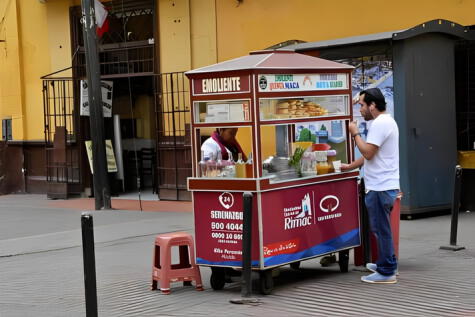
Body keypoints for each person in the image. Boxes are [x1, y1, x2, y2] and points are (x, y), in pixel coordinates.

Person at [342, 88, 400, 284]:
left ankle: (386, 272)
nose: (360, 110)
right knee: (382, 228)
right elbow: (372, 154)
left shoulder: (380, 124)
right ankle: (387, 263)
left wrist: (355, 133)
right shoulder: (385, 121)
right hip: (383, 185)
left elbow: (367, 152)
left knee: (380, 229)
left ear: (373, 106)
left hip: (380, 186)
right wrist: (350, 166)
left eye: (362, 106)